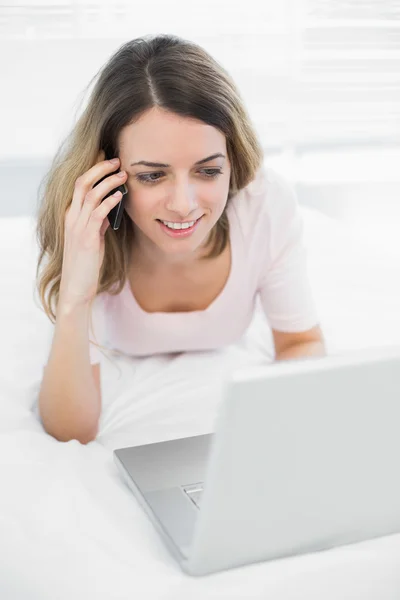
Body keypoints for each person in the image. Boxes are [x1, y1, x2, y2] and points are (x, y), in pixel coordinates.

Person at [35, 34, 326, 444]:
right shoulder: (88, 228)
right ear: (108, 174)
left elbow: (302, 342)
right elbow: (71, 430)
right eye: (152, 175)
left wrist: (268, 435)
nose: (184, 206)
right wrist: (76, 292)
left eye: (208, 171)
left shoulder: (264, 205)